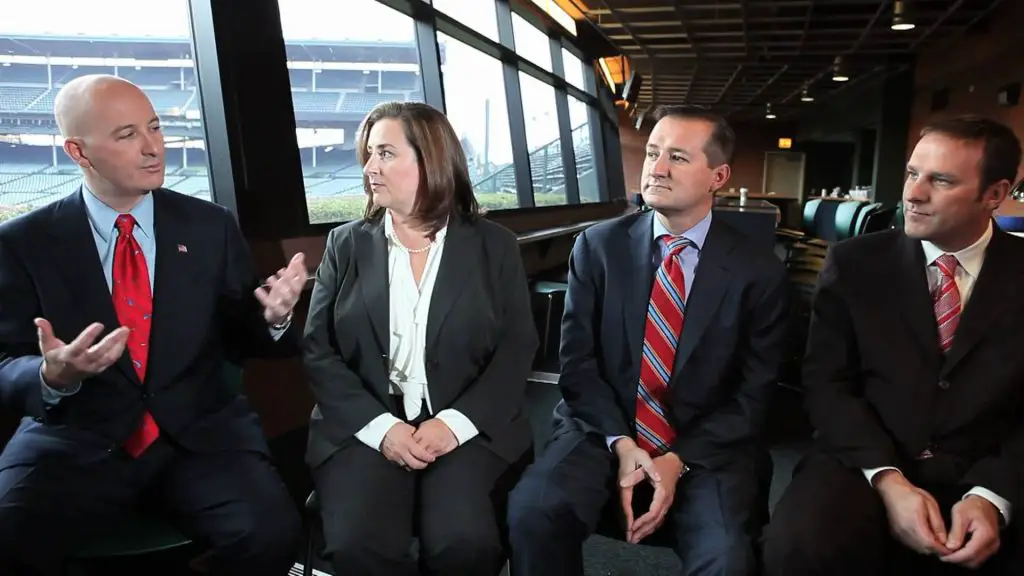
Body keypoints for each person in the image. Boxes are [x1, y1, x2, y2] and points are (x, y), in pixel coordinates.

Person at [0, 74, 303, 575]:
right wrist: (51, 375)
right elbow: (7, 360)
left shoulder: (210, 225)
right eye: (127, 135)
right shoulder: (22, 243)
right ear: (78, 151)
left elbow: (241, 335)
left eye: (155, 128)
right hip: (75, 437)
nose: (153, 148)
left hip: (201, 434)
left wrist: (273, 318)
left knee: (270, 534)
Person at [507, 105, 790, 576]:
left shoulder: (758, 271)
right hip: (603, 428)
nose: (656, 168)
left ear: (718, 176)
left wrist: (678, 459)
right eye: (653, 153)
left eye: (677, 157)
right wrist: (621, 442)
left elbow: (753, 396)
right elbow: (578, 366)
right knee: (534, 512)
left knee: (725, 558)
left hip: (705, 445)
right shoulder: (598, 247)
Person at [762, 115, 1024, 575]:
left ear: (996, 195)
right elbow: (827, 383)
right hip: (867, 457)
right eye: (911, 173)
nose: (913, 194)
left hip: (991, 463)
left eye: (940, 180)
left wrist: (992, 497)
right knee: (797, 547)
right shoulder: (855, 263)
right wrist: (887, 479)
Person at [302, 101, 538, 576]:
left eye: (385, 153)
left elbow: (516, 351)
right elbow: (318, 350)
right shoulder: (345, 244)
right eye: (368, 154)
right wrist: (382, 428)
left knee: (464, 543)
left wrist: (453, 423)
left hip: (467, 425)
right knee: (356, 544)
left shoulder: (494, 246)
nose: (369, 167)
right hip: (365, 422)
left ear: (430, 159)